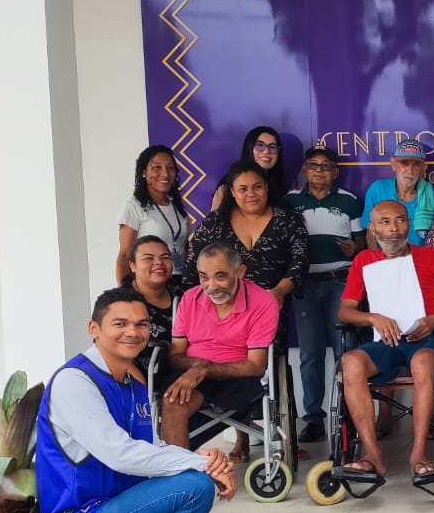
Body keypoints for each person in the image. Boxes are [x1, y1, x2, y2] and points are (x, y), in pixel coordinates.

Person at [36, 287, 236, 513]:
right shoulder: (76, 381)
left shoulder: (133, 383)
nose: (133, 332)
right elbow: (121, 455)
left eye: (142, 324)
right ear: (94, 329)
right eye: (120, 323)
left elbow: (151, 446)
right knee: (194, 486)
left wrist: (205, 457)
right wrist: (202, 466)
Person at [339, 200, 434, 479]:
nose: (393, 228)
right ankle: (372, 456)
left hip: (432, 339)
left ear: (409, 224)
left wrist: (433, 321)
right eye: (385, 222)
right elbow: (345, 310)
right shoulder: (364, 260)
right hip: (387, 341)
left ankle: (419, 453)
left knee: (422, 362)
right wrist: (373, 318)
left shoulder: (432, 257)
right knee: (350, 361)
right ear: (372, 229)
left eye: (400, 220)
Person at [160, 243, 280, 463]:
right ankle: (178, 476)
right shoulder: (189, 299)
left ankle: (241, 437)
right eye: (203, 277)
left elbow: (256, 365)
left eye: (220, 276)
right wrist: (198, 367)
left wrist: (205, 369)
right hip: (194, 372)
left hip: (239, 375)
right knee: (173, 401)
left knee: (237, 390)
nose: (211, 286)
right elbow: (175, 355)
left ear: (240, 272)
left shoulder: (263, 301)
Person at [285, 146, 364, 443]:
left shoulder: (349, 202)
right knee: (310, 354)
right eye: (313, 165)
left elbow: (361, 242)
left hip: (340, 282)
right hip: (303, 284)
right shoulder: (290, 201)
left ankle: (351, 413)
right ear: (305, 169)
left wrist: (355, 249)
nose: (319, 170)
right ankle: (314, 418)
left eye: (326, 166)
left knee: (347, 349)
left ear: (335, 171)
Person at [185, 160, 309, 307]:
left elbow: (301, 260)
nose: (251, 194)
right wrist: (195, 306)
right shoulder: (215, 222)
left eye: (257, 187)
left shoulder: (287, 219)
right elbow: (191, 265)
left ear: (266, 187)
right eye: (243, 189)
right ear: (232, 192)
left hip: (272, 308)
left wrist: (279, 291)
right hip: (220, 312)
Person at [115, 145, 192, 283]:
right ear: (144, 172)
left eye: (170, 168)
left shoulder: (178, 208)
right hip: (150, 285)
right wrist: (125, 297)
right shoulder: (134, 207)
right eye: (157, 167)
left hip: (181, 284)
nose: (165, 174)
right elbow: (125, 254)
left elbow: (185, 250)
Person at [119, 235, 182, 377]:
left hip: (179, 376)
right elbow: (107, 347)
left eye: (165, 257)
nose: (158, 262)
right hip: (134, 382)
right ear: (133, 265)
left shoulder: (182, 293)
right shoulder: (120, 301)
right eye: (148, 258)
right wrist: (140, 389)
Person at [361, 138, 434, 246]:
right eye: (404, 163)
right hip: (386, 259)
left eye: (416, 164)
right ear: (393, 163)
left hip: (421, 260)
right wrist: (378, 262)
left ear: (424, 168)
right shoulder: (377, 189)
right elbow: (371, 233)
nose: (410, 170)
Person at [209, 126, 287, 212]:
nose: (266, 151)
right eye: (260, 145)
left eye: (272, 147)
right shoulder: (229, 182)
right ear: (249, 147)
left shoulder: (279, 184)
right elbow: (214, 222)